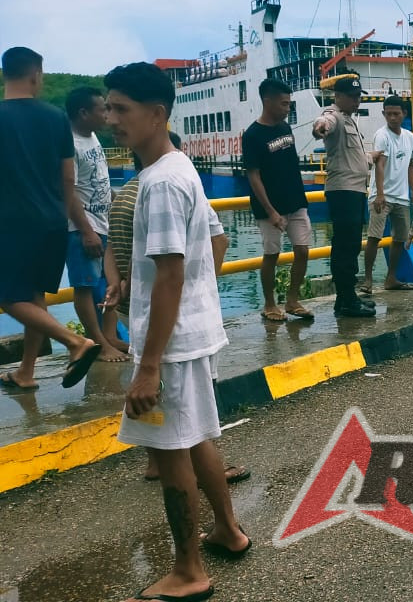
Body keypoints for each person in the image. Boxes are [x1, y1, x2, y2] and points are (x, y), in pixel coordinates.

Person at [104, 62, 249, 602]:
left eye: (121, 109)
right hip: (190, 334)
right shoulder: (180, 166)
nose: (110, 119)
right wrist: (157, 291)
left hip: (166, 348)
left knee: (169, 456)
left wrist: (147, 366)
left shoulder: (159, 183)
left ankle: (188, 571)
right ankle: (229, 532)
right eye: (108, 107)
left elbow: (168, 272)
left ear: (156, 114)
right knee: (197, 437)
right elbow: (211, 243)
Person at [103, 132, 248, 486]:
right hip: (169, 316)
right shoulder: (172, 185)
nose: (111, 119)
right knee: (191, 419)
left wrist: (119, 281)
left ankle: (161, 464)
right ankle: (218, 518)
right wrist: (202, 288)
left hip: (138, 308)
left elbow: (113, 249)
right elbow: (212, 245)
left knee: (161, 410)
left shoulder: (125, 196)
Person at [0, 47, 101, 391]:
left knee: (9, 296)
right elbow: (68, 178)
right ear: (35, 75)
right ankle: (26, 372)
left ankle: (75, 342)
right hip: (53, 221)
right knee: (36, 295)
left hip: (12, 222)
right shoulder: (56, 117)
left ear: (5, 74)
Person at [65, 86, 128, 363]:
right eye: (102, 108)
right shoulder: (70, 143)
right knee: (85, 286)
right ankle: (98, 343)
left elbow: (99, 182)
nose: (107, 114)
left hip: (103, 224)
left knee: (109, 282)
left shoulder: (91, 138)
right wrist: (87, 231)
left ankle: (110, 336)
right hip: (83, 228)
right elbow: (68, 191)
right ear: (83, 112)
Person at [242, 79, 312, 322]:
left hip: (296, 201)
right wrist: (270, 211)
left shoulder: (285, 128)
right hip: (269, 208)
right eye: (283, 104)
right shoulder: (252, 135)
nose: (287, 108)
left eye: (289, 104)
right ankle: (270, 303)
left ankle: (293, 300)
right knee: (271, 254)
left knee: (302, 251)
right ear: (267, 101)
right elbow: (253, 175)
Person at [311, 76, 374, 317]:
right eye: (353, 97)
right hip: (344, 191)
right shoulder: (334, 115)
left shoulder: (349, 118)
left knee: (351, 246)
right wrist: (320, 128)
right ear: (338, 97)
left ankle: (346, 298)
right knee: (345, 247)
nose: (357, 101)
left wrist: (371, 157)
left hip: (356, 189)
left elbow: (353, 156)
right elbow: (323, 123)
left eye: (359, 96)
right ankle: (347, 300)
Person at [362, 96, 413, 293]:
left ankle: (391, 277)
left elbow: (411, 165)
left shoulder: (410, 137)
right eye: (388, 114)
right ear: (384, 114)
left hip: (401, 196)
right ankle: (368, 280)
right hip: (382, 196)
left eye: (396, 114)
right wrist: (380, 194)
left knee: (400, 238)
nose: (392, 118)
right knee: (374, 237)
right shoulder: (381, 135)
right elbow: (380, 165)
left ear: (404, 114)